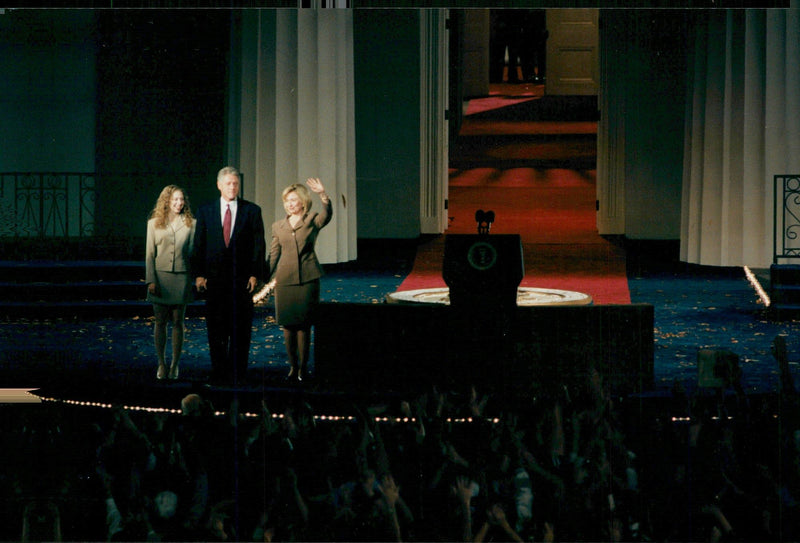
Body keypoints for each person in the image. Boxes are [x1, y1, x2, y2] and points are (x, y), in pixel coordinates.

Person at [191, 166, 266, 385]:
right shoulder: (205, 211)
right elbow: (199, 245)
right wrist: (198, 275)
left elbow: (258, 245)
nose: (232, 187)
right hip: (214, 281)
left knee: (241, 329)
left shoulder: (252, 210)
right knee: (216, 329)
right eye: (228, 183)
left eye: (235, 183)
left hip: (243, 281)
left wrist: (255, 274)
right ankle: (219, 372)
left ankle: (238, 373)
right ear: (219, 185)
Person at [267, 178, 332, 382]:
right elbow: (274, 254)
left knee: (304, 326)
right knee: (288, 326)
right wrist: (262, 277)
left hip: (308, 278)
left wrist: (323, 196)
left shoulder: (312, 219)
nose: (290, 204)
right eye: (287, 200)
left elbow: (326, 216)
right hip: (285, 280)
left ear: (303, 202)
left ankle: (303, 369)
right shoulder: (278, 226)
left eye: (294, 200)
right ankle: (293, 368)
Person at [145, 185, 196, 380]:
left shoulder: (191, 224)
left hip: (181, 277)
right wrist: (150, 279)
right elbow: (149, 254)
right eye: (175, 199)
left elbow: (192, 254)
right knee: (160, 322)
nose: (179, 203)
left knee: (178, 321)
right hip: (160, 278)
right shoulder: (153, 224)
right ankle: (161, 363)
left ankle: (175, 364)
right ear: (167, 201)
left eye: (181, 199)